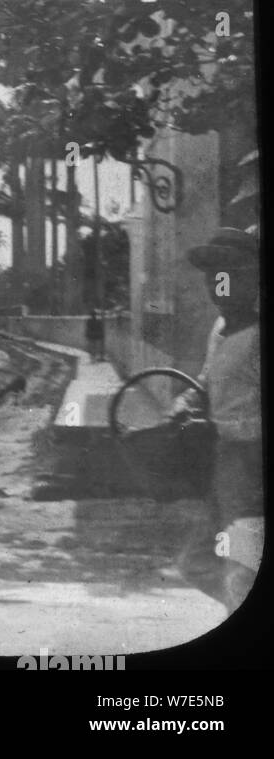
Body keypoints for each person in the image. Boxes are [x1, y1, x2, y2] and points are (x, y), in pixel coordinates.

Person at [176, 227, 262, 614]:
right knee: (195, 561)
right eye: (212, 276)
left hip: (252, 465)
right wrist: (186, 400)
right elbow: (208, 380)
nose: (218, 284)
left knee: (242, 570)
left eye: (228, 274)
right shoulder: (221, 329)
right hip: (224, 463)